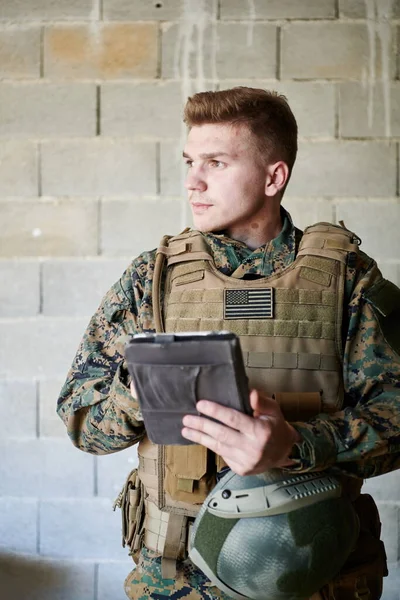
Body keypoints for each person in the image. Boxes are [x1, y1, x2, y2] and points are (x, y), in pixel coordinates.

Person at [57, 87, 400, 600]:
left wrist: (298, 445)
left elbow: (396, 417)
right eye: (190, 161)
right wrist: (141, 389)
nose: (192, 181)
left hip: (313, 575)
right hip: (176, 582)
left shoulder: (348, 281)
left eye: (215, 162)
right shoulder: (150, 280)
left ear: (273, 177)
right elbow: (82, 423)